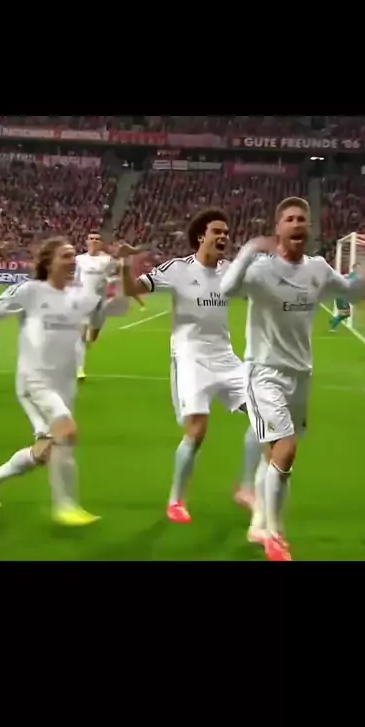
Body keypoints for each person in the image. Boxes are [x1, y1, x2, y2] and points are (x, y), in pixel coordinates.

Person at [220, 197, 365, 562]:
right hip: (264, 372)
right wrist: (248, 250)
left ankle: (259, 523)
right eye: (289, 219)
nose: (296, 223)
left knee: (274, 456)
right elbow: (226, 289)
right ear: (278, 229)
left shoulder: (317, 269)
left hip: (301, 374)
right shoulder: (262, 270)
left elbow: (349, 292)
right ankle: (275, 535)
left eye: (301, 219)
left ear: (309, 228)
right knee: (286, 450)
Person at [120, 208, 262, 524]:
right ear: (201, 237)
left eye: (226, 233)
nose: (224, 237)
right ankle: (176, 500)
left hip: (225, 357)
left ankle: (246, 487)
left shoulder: (230, 271)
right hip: (190, 357)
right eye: (217, 232)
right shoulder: (178, 269)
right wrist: (125, 263)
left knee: (264, 414)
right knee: (197, 432)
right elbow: (131, 289)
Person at [0, 237, 129, 524]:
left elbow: (119, 308)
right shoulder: (31, 291)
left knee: (46, 451)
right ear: (48, 262)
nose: (72, 261)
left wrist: (120, 272)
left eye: (72, 256)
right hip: (35, 382)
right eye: (66, 256)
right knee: (66, 434)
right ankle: (65, 506)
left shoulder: (78, 296)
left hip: (64, 385)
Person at [74, 231, 118, 381]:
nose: (93, 241)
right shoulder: (79, 259)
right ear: (86, 242)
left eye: (97, 239)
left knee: (93, 336)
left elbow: (114, 277)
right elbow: (75, 279)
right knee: (81, 334)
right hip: (83, 300)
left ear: (101, 243)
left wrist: (111, 281)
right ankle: (79, 368)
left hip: (100, 301)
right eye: (91, 239)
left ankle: (88, 342)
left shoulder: (107, 260)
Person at [329, 263, 360, 332]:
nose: (359, 269)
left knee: (346, 314)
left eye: (359, 268)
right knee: (344, 314)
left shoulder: (353, 276)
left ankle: (333, 321)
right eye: (357, 268)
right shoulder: (353, 276)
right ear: (354, 268)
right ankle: (332, 327)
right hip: (342, 296)